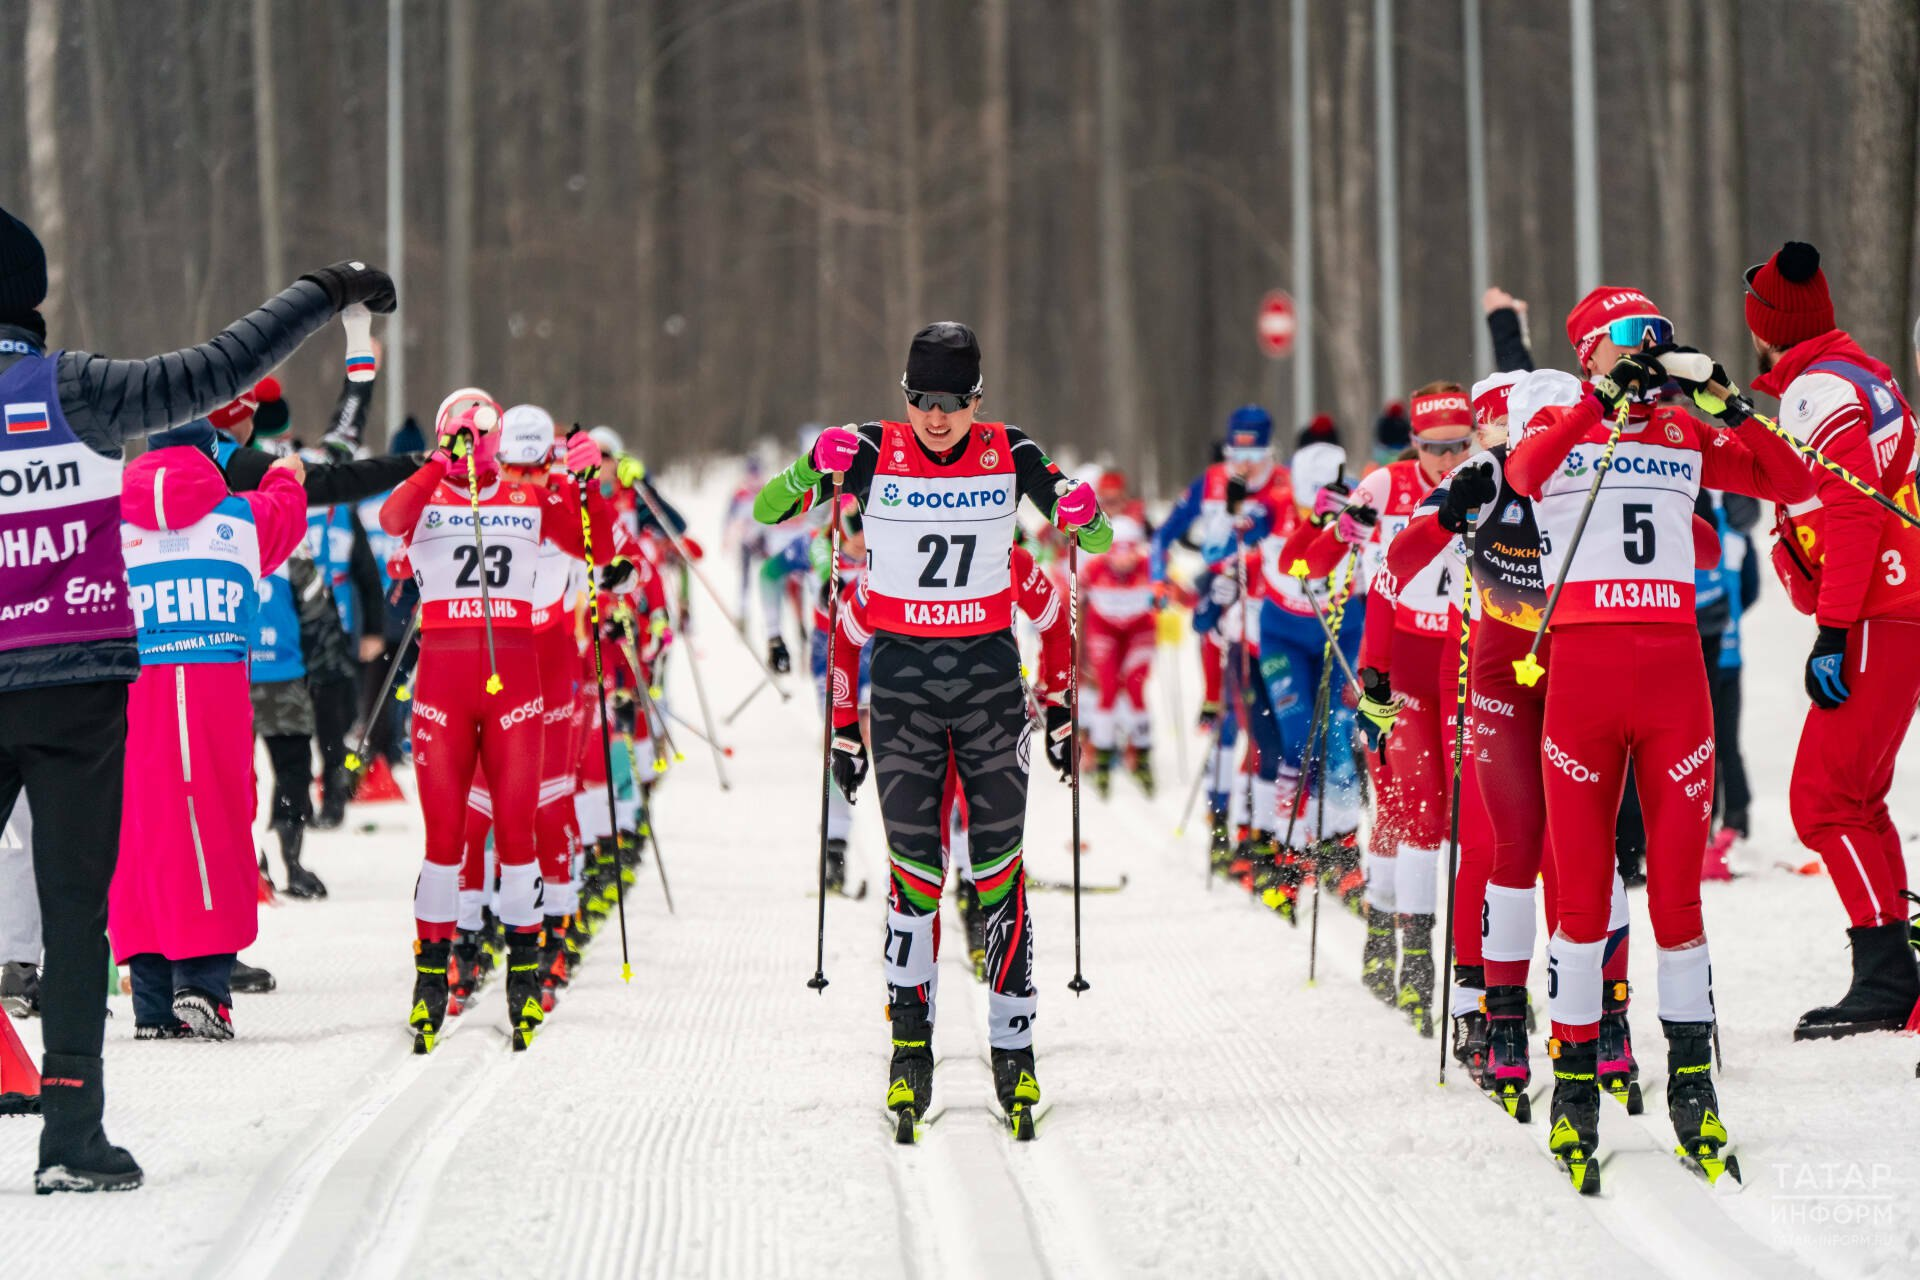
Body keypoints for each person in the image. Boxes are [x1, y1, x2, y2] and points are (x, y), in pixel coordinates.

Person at [0, 202, 394, 1192]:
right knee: (76, 905)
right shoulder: (77, 389)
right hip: (80, 684)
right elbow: (222, 365)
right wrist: (327, 294)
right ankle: (72, 1131)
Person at [752, 320, 1111, 1137]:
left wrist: (1086, 515)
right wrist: (812, 466)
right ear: (903, 394)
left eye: (951, 401)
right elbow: (774, 511)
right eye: (921, 400)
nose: (936, 417)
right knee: (913, 878)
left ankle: (1013, 1053)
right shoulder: (872, 452)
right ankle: (909, 1051)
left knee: (999, 876)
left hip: (988, 691)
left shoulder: (1012, 453)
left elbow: (1094, 537)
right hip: (905, 693)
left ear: (975, 397)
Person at [1505, 284, 1813, 1189]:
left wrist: (1722, 398)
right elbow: (1520, 478)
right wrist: (1593, 407)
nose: (1647, 361)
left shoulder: (1681, 433)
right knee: (1582, 899)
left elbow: (1789, 481)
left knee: (1678, 895)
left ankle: (1690, 1086)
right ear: (1591, 351)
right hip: (1584, 687)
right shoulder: (1561, 422)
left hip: (1677, 680)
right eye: (1633, 345)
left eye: (1659, 344)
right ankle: (1573, 1087)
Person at [379, 391, 607, 1054]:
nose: (473, 442)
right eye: (463, 430)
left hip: (516, 688)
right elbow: (394, 519)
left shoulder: (525, 498)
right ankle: (430, 981)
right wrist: (433, 466)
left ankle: (524, 980)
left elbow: (592, 543)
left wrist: (581, 479)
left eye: (483, 431)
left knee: (517, 836)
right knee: (444, 840)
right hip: (444, 690)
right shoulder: (425, 499)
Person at [1739, 242, 1920, 1040]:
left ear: (1767, 326)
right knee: (1857, 798)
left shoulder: (1819, 390)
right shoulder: (1855, 373)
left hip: (1882, 608)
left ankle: (1884, 977)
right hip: (1892, 603)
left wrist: (1834, 632)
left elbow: (1850, 512)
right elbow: (1796, 484)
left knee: (1821, 801)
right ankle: (1893, 969)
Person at [111, 422, 308, 1040]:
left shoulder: (109, 526)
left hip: (132, 697)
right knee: (214, 827)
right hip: (214, 700)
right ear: (209, 457)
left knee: (138, 833)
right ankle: (202, 985)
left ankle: (150, 999)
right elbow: (288, 505)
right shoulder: (240, 522)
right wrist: (282, 472)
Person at [1308, 384, 1475, 1033]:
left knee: (1464, 816)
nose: (1446, 460)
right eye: (1434, 448)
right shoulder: (1383, 486)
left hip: (1464, 666)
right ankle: (1407, 953)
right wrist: (1325, 531)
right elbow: (1315, 558)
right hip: (1397, 668)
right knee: (1413, 810)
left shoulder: (1486, 479)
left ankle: (1466, 963)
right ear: (1415, 443)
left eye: (1458, 446)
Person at [1080, 515, 1158, 797]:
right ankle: (1102, 756)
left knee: (1136, 687)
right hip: (1105, 629)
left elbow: (1173, 590)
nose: (1123, 559)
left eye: (1130, 550)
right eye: (1116, 550)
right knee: (1108, 688)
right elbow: (1074, 596)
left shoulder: (1149, 566)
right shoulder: (1094, 567)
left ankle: (1143, 754)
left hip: (1139, 629)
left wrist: (1166, 596)